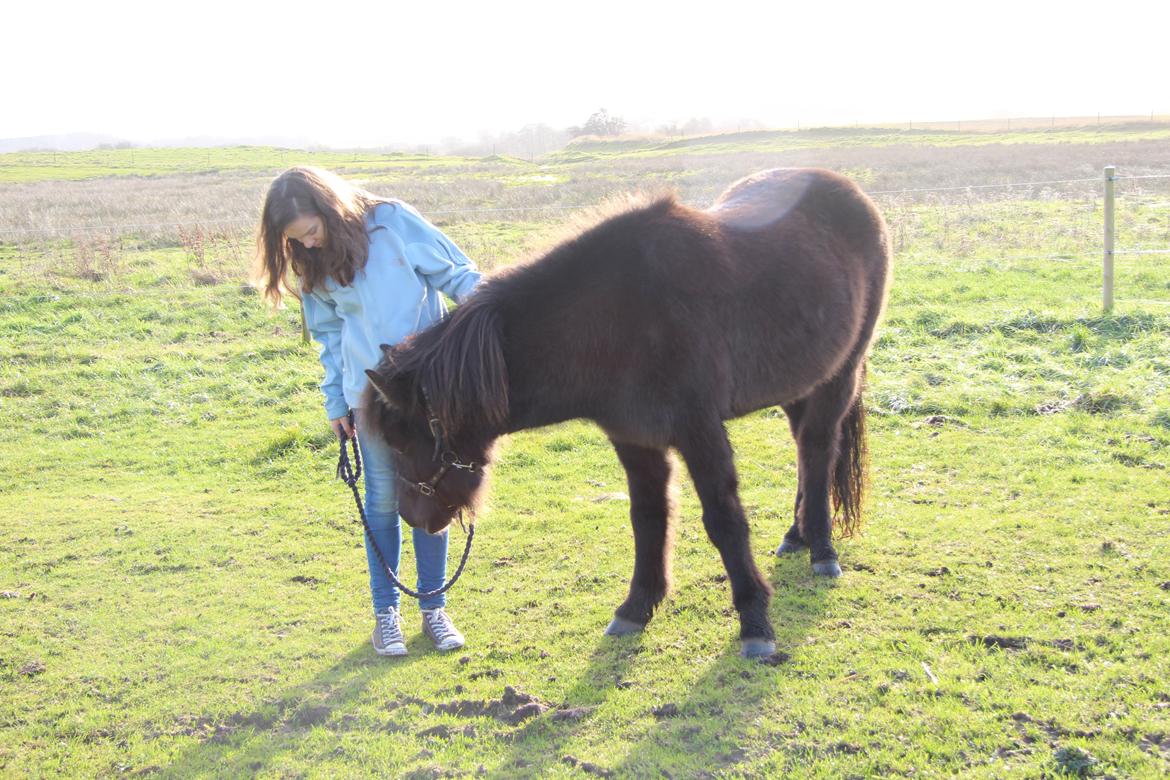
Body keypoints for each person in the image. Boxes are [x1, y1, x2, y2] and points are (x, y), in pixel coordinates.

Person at [255, 166, 481, 657]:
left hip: (428, 394)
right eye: (297, 240)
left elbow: (458, 275)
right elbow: (330, 336)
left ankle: (434, 610)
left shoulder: (393, 223)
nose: (309, 245)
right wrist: (336, 399)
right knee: (381, 502)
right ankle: (386, 617)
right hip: (370, 399)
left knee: (434, 495)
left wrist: (494, 314)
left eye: (311, 231)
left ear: (330, 207)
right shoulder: (310, 263)